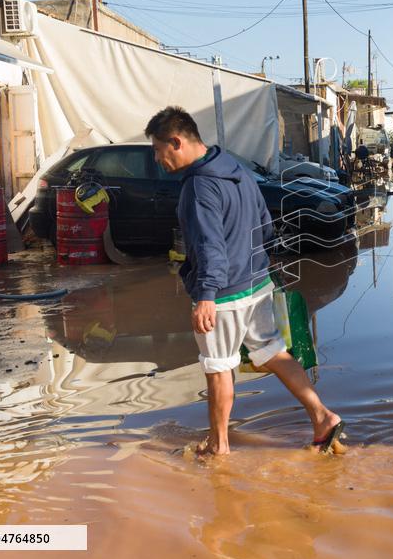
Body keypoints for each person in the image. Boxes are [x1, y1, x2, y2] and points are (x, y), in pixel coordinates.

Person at [144, 106, 344, 456]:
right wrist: (265, 265)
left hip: (224, 294)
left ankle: (218, 446)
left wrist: (206, 295)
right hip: (256, 282)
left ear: (176, 142)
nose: (158, 159)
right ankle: (322, 416)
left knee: (218, 367)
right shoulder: (235, 169)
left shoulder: (199, 186)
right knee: (273, 352)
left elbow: (209, 245)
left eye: (158, 150)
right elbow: (265, 225)